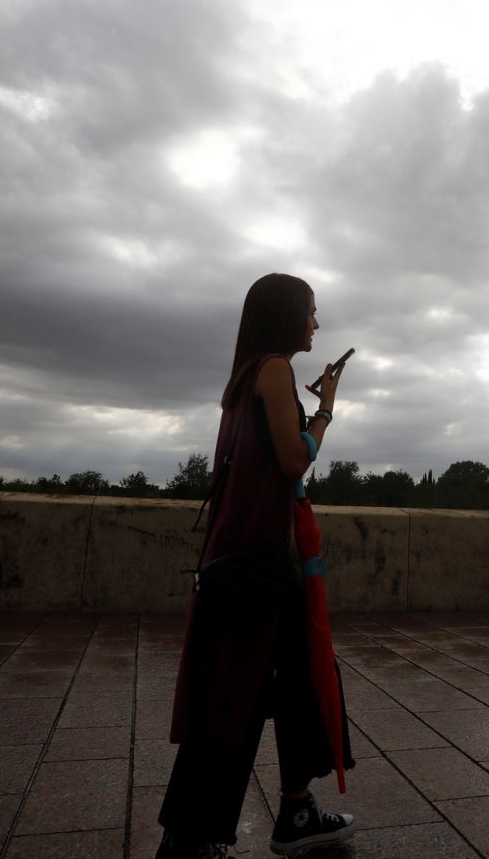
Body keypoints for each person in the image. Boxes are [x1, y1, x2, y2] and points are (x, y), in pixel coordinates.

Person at [158, 273, 356, 859]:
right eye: (312, 313)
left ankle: (296, 810)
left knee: (294, 682)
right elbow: (294, 460)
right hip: (257, 567)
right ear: (288, 315)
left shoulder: (248, 376)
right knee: (233, 698)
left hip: (249, 562)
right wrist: (324, 415)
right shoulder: (275, 369)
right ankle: (189, 836)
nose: (317, 324)